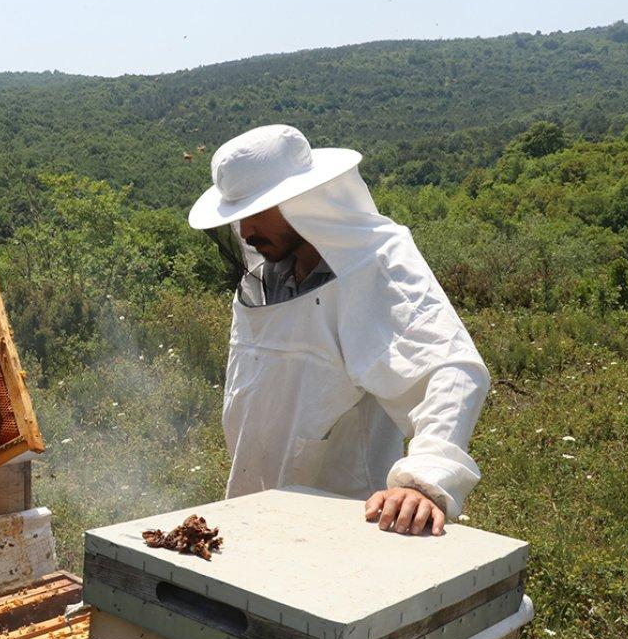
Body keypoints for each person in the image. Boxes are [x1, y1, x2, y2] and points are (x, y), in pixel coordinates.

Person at [188, 124, 490, 537]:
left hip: (345, 520)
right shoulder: (265, 276)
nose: (246, 231)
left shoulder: (376, 266)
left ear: (305, 201)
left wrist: (425, 480)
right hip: (253, 509)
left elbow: (451, 366)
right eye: (239, 216)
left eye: (258, 211)